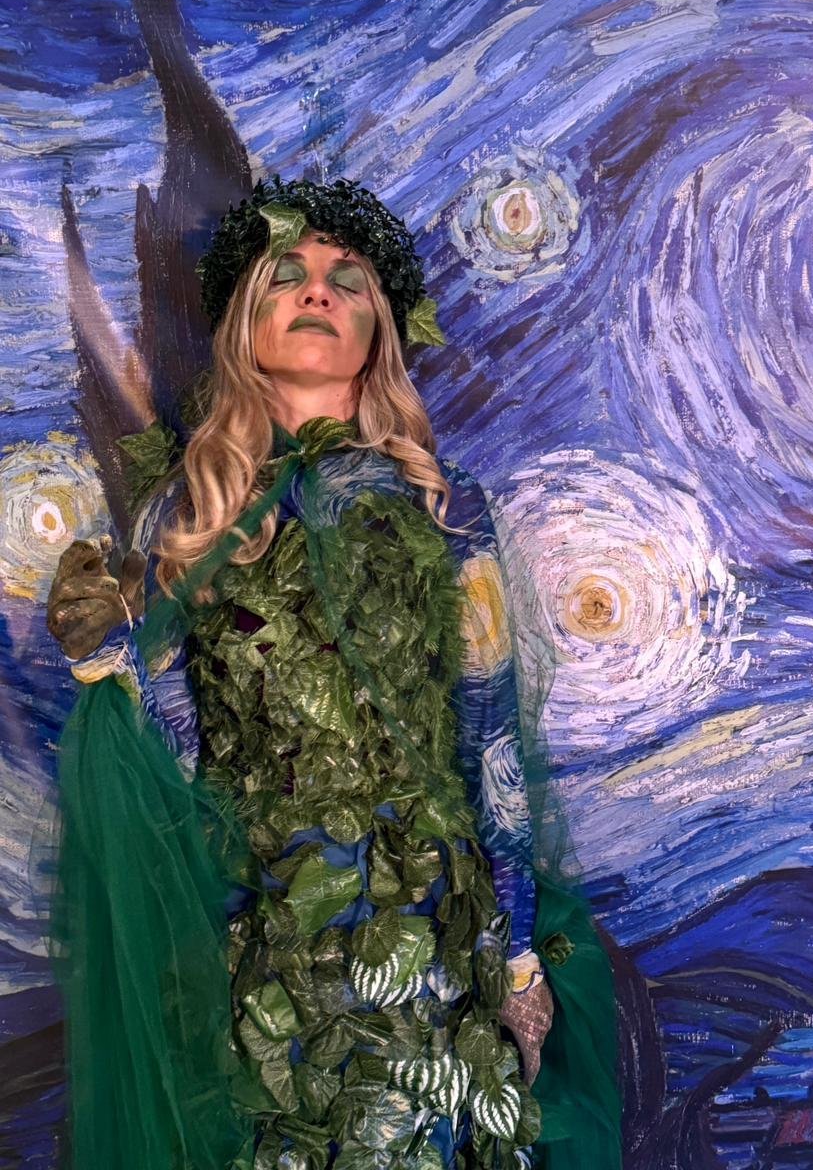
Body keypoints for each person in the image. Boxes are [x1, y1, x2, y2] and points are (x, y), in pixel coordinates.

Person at [45, 177, 621, 1170]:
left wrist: (519, 951)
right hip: (268, 946)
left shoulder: (446, 508)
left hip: (433, 942)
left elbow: (490, 745)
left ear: (379, 332)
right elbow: (176, 763)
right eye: (288, 274)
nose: (318, 289)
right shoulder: (185, 520)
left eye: (348, 280)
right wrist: (106, 658)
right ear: (242, 323)